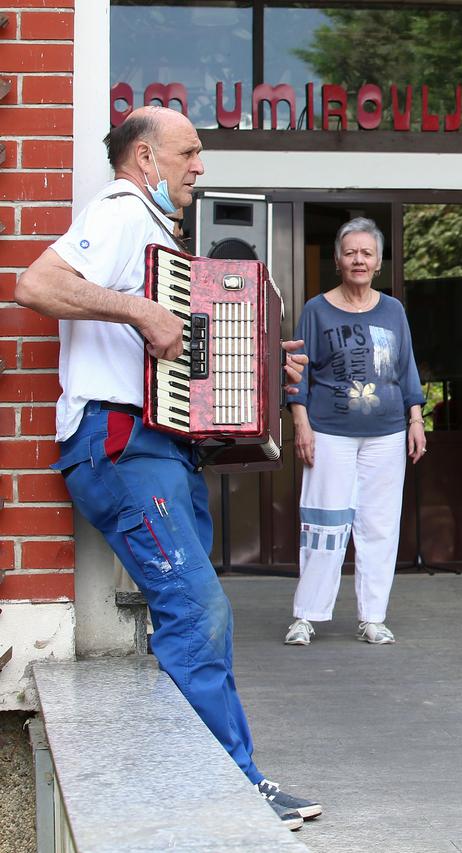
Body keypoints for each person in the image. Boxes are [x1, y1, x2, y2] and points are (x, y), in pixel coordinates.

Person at [15, 106, 319, 830]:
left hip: (161, 447)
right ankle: (225, 784)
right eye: (189, 151)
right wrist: (139, 312)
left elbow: (186, 373)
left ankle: (204, 774)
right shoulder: (121, 210)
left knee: (195, 611)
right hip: (119, 443)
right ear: (145, 159)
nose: (200, 165)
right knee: (199, 608)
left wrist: (271, 368)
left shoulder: (160, 239)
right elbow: (36, 284)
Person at [285, 218, 426, 648]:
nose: (358, 260)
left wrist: (415, 419)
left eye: (367, 253)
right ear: (337, 259)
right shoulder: (317, 310)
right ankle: (306, 615)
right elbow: (297, 375)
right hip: (329, 432)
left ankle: (373, 618)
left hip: (386, 433)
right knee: (324, 522)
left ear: (378, 262)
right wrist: (300, 423)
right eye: (351, 252)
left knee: (379, 525)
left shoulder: (393, 310)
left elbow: (406, 370)